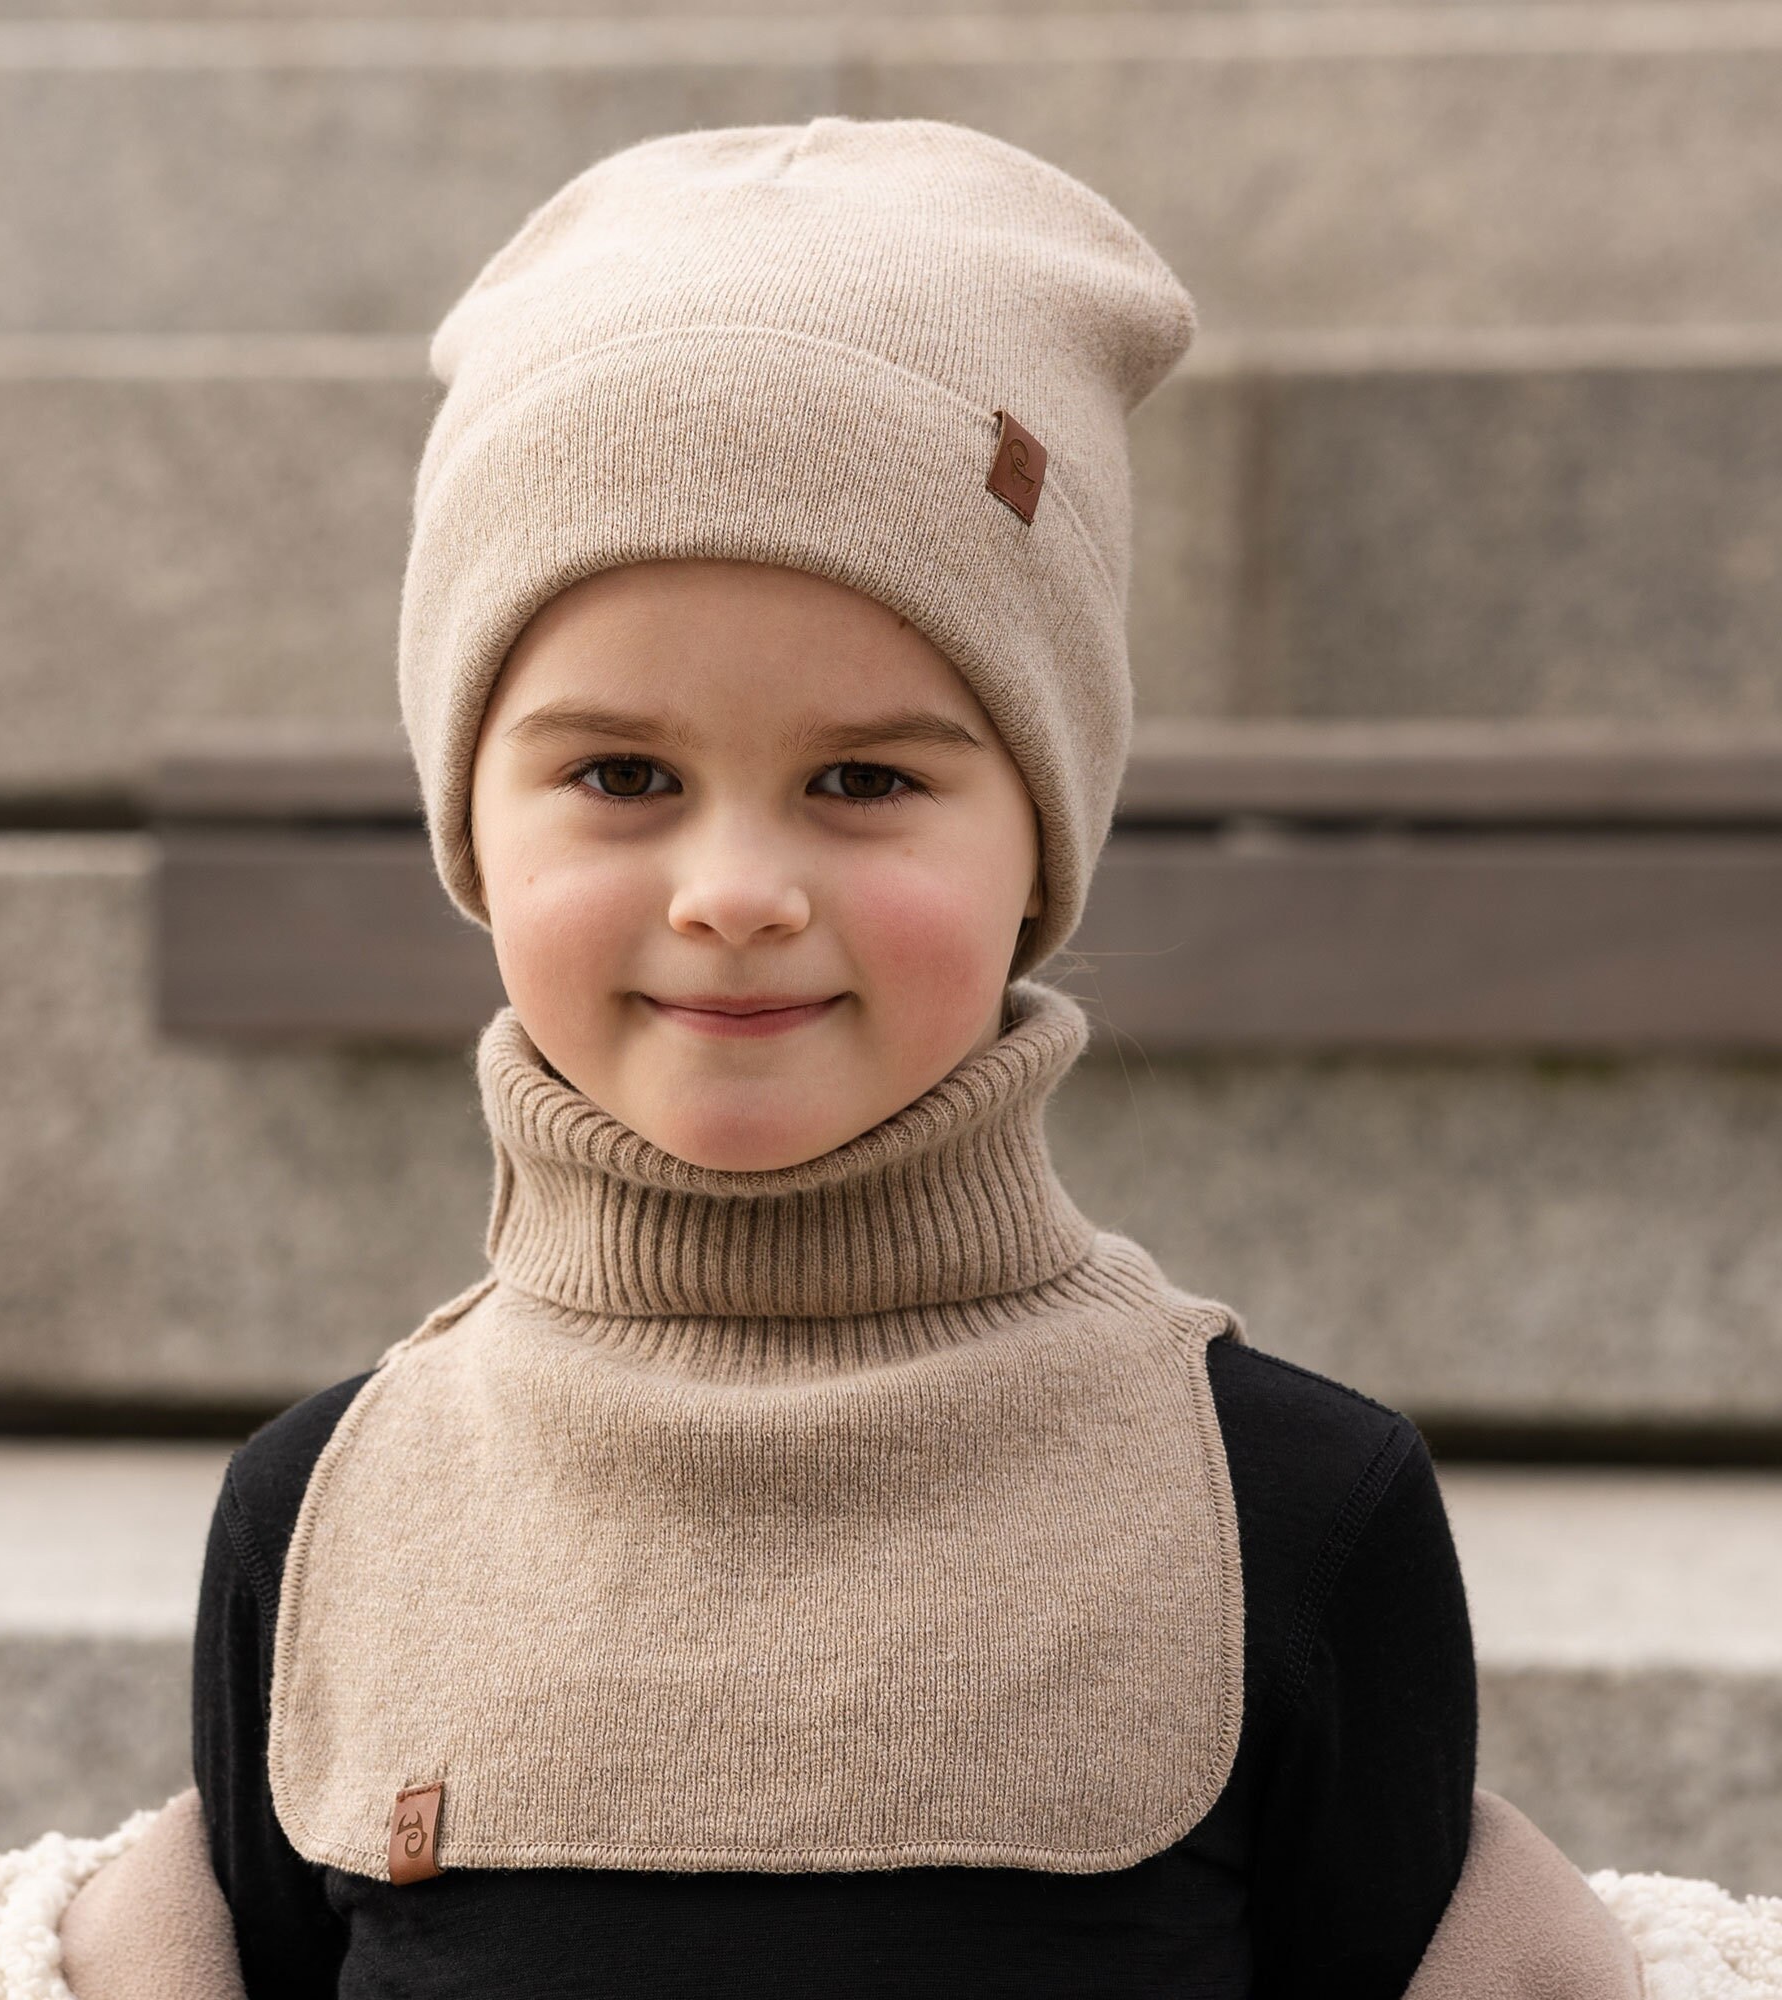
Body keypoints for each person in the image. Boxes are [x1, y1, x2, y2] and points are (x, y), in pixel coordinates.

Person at [189, 115, 1480, 1999]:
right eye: (620, 775)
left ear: (1043, 833)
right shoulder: (325, 1516)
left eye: (864, 778)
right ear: (468, 823)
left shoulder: (1287, 1509)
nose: (734, 890)